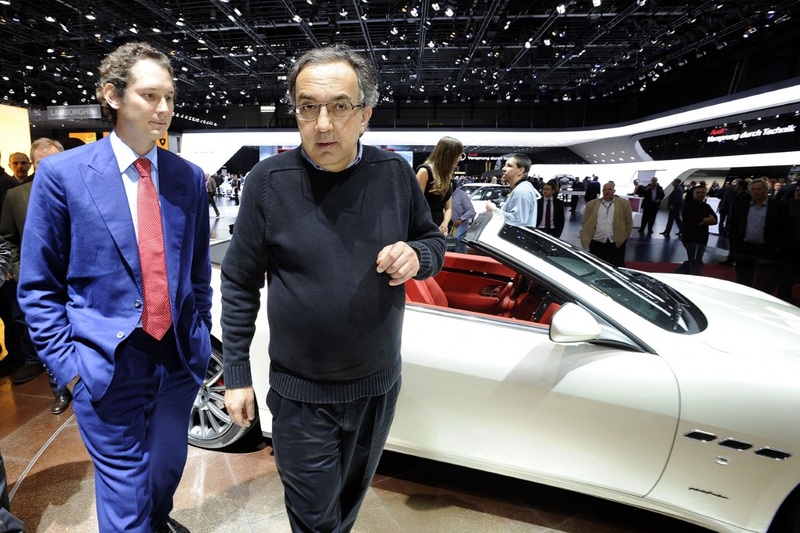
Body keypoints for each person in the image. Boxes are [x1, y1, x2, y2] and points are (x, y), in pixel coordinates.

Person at [220, 44, 446, 533]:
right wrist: (236, 372)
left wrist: (418, 255)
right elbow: (238, 281)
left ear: (364, 114)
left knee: (347, 503)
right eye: (308, 107)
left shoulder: (395, 174)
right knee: (314, 518)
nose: (323, 123)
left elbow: (431, 241)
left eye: (339, 106)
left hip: (377, 387)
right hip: (301, 395)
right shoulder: (268, 181)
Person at [18, 42, 212, 533]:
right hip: (104, 364)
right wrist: (70, 369)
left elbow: (197, 274)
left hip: (176, 361)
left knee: (165, 475)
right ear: (112, 95)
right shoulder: (63, 175)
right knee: (125, 498)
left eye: (169, 96)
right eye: (150, 96)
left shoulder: (187, 177)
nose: (164, 109)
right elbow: (38, 285)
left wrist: (201, 336)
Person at [1, 138, 74, 414]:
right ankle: (61, 391)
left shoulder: (80, 190)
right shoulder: (17, 196)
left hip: (80, 281)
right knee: (50, 336)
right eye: (42, 163)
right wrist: (19, 271)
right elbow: (7, 239)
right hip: (42, 285)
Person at [0, 152, 43, 385]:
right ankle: (31, 360)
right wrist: (15, 268)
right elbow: (8, 236)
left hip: (70, 272)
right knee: (23, 318)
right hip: (31, 271)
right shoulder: (15, 194)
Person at [728, 178, 792, 294]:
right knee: (743, 282)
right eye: (753, 190)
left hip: (767, 250)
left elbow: (786, 229)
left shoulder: (779, 207)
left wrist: (778, 249)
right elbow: (733, 226)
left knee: (764, 283)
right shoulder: (741, 206)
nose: (756, 192)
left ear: (766, 190)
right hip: (744, 249)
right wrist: (735, 246)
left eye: (759, 189)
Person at [580, 181, 633, 267]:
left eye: (609, 189)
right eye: (605, 190)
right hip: (597, 241)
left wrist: (626, 237)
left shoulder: (624, 204)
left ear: (614, 191)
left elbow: (629, 221)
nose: (607, 191)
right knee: (597, 266)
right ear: (602, 191)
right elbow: (585, 221)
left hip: (616, 242)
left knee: (617, 265)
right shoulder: (591, 204)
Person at [416, 136, 463, 234]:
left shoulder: (447, 176)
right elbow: (416, 205)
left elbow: (448, 207)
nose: (459, 158)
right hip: (423, 227)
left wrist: (444, 224)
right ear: (448, 155)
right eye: (458, 155)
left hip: (439, 228)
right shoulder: (425, 171)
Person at [675, 183, 717, 275]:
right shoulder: (688, 206)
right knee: (694, 259)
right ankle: (693, 274)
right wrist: (708, 219)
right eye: (698, 192)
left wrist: (703, 220)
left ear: (705, 193)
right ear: (694, 194)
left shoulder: (706, 206)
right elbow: (696, 222)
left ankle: (684, 273)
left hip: (702, 238)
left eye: (702, 192)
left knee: (697, 258)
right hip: (690, 238)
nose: (700, 194)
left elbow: (715, 220)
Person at [486, 153, 537, 226]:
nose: (503, 169)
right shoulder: (522, 187)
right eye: (504, 165)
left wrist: (494, 210)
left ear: (520, 171)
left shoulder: (521, 191)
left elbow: (518, 221)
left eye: (509, 166)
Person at [450, 185, 475, 253]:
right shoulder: (446, 195)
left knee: (459, 246)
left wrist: (461, 219)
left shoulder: (461, 194)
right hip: (453, 226)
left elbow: (471, 210)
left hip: (461, 224)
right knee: (452, 243)